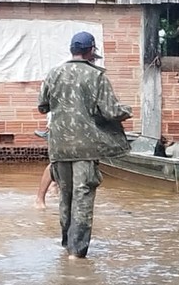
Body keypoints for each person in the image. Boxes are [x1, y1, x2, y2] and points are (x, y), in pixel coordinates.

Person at [37, 31, 132, 258]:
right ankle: (76, 254)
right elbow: (111, 111)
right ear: (91, 51)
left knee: (65, 197)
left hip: (59, 147)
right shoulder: (96, 76)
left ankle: (66, 247)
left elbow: (43, 106)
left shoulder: (53, 74)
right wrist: (127, 111)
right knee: (83, 197)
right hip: (85, 148)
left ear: (72, 50)